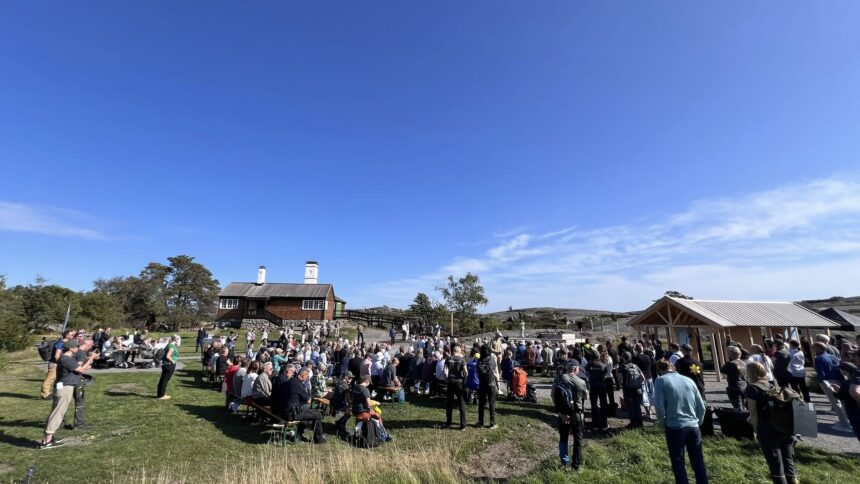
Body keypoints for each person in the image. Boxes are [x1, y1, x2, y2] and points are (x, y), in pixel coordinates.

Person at [654, 360, 708, 484]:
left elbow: (659, 407)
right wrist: (698, 422)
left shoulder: (660, 381)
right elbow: (702, 406)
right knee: (698, 462)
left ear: (659, 370)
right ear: (673, 367)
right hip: (693, 426)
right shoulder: (689, 380)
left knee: (678, 462)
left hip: (674, 427)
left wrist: (663, 423)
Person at [746, 361, 797, 484]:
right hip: (784, 427)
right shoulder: (773, 385)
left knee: (775, 463)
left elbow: (753, 413)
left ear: (750, 373)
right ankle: (793, 480)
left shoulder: (752, 388)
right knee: (788, 460)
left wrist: (755, 430)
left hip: (768, 428)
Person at [40, 340, 97, 448]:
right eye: (76, 346)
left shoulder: (67, 358)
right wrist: (91, 358)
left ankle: (48, 438)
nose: (77, 348)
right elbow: (80, 369)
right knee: (58, 413)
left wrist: (87, 362)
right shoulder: (66, 358)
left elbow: (78, 369)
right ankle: (47, 440)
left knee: (57, 412)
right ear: (70, 348)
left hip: (64, 387)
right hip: (65, 388)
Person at [813, 342, 853, 432]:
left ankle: (845, 424)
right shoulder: (832, 356)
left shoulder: (819, 358)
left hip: (828, 381)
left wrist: (820, 382)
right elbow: (839, 368)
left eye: (814, 348)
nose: (813, 350)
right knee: (842, 402)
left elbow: (821, 373)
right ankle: (848, 421)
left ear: (818, 348)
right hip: (839, 380)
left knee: (835, 403)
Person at [556, 360, 587, 471]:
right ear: (576, 369)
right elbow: (585, 397)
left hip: (563, 413)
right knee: (577, 439)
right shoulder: (581, 382)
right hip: (577, 414)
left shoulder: (559, 378)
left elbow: (553, 396)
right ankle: (576, 465)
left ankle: (564, 462)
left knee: (563, 438)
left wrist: (561, 414)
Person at [284, 368, 326, 444]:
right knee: (318, 415)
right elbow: (309, 400)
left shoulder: (290, 381)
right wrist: (308, 393)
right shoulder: (299, 384)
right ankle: (319, 439)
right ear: (303, 375)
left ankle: (298, 435)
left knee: (308, 412)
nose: (307, 379)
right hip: (292, 414)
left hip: (285, 411)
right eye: (307, 377)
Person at [40, 330, 75, 399]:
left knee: (59, 380)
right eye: (72, 335)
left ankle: (58, 392)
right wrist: (61, 363)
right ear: (66, 335)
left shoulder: (66, 343)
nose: (73, 336)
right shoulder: (60, 343)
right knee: (50, 380)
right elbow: (56, 355)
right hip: (55, 364)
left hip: (59, 364)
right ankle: (45, 394)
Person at [833, 361, 860, 442]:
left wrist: (836, 391)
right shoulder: (855, 381)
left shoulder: (848, 383)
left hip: (853, 411)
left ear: (845, 371)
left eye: (840, 369)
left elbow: (843, 396)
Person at [444, 344, 468, 430]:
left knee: (449, 402)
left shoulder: (448, 358)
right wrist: (464, 379)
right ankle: (463, 425)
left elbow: (445, 370)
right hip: (459, 382)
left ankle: (448, 424)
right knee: (461, 403)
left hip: (450, 382)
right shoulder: (462, 359)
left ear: (453, 351)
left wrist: (446, 378)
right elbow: (466, 372)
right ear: (459, 351)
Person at [619, 351, 645, 428]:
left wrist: (621, 384)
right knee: (637, 406)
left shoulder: (623, 366)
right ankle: (640, 423)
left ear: (623, 357)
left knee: (631, 407)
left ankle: (633, 423)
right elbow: (643, 378)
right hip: (638, 389)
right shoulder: (635, 366)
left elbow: (619, 378)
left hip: (628, 389)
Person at [476, 345, 498, 429]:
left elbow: (477, 370)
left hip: (482, 383)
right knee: (491, 403)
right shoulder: (492, 360)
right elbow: (493, 369)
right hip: (491, 383)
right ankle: (492, 423)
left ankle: (481, 423)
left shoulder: (479, 360)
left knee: (481, 404)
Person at [586, 355, 609, 431]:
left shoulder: (589, 364)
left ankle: (595, 424)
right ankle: (604, 424)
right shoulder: (602, 365)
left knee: (594, 405)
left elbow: (587, 373)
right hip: (602, 386)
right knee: (603, 405)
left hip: (593, 386)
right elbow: (605, 374)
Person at [720, 346, 748, 410]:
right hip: (744, 386)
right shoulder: (744, 363)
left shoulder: (730, 363)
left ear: (731, 355)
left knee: (738, 407)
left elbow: (722, 370)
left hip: (734, 387)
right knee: (745, 406)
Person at [156, 335, 180, 400]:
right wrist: (173, 361)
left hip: (166, 364)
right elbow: (168, 356)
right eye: (179, 339)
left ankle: (160, 394)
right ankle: (161, 395)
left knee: (163, 379)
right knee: (165, 380)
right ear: (176, 340)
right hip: (169, 364)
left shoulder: (170, 344)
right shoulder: (171, 346)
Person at [332, 371, 354, 438]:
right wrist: (351, 406)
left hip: (334, 402)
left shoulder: (338, 382)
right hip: (339, 405)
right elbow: (348, 399)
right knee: (351, 412)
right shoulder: (345, 386)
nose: (351, 379)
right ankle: (341, 424)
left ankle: (340, 422)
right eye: (350, 378)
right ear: (346, 377)